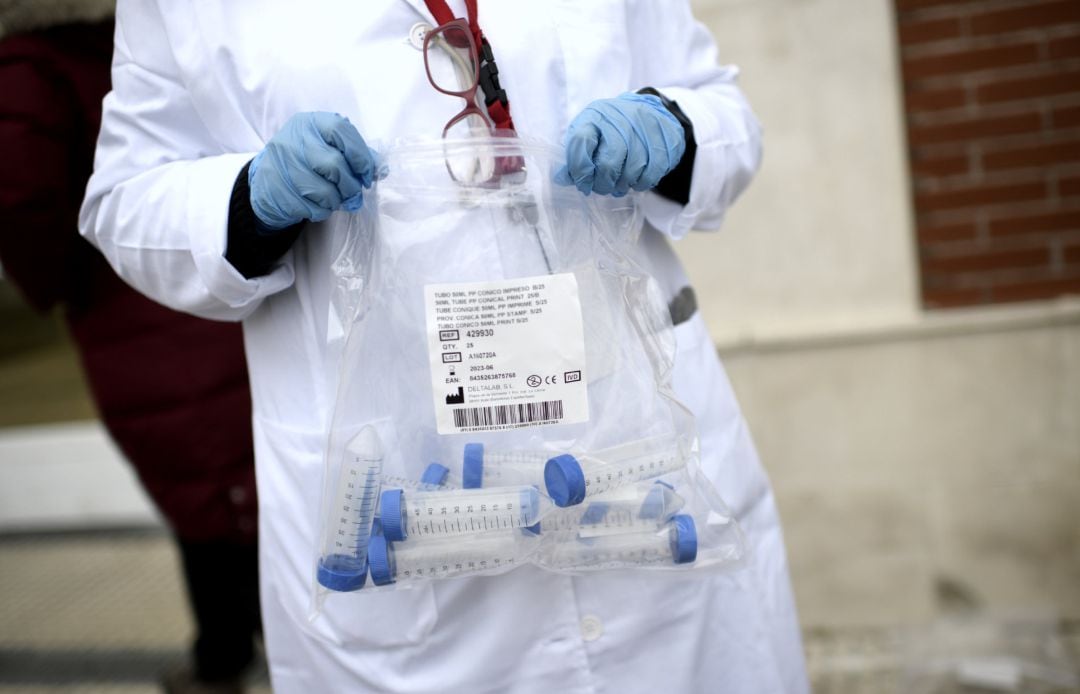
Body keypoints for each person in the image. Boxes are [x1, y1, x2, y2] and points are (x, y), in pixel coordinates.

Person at [79, 1, 809, 692]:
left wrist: (673, 131)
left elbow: (723, 111)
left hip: (645, 480)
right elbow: (124, 197)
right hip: (402, 515)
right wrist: (249, 197)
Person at [0, 4, 261, 692]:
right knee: (229, 488)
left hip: (135, 301)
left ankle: (231, 657)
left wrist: (54, 285)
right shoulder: (161, 31)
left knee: (213, 496)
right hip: (219, 286)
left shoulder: (27, 64)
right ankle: (230, 650)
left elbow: (20, 198)